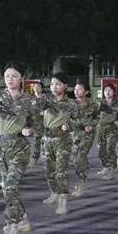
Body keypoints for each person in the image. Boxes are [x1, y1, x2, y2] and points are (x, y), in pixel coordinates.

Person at [0, 62, 36, 234]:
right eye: (7, 76)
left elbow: (37, 121)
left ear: (21, 78)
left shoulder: (28, 100)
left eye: (14, 76)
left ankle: (11, 230)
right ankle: (22, 217)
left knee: (11, 186)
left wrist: (30, 129)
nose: (10, 79)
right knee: (7, 189)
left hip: (19, 148)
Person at [34, 72, 78, 215]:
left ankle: (63, 200)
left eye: (58, 84)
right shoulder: (46, 100)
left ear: (65, 86)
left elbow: (79, 121)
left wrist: (69, 124)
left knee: (60, 171)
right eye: (52, 84)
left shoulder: (71, 103)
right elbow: (34, 107)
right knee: (48, 170)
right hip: (47, 139)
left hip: (62, 140)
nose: (54, 87)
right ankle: (54, 193)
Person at [69, 80, 100, 198]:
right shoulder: (71, 105)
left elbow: (97, 117)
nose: (76, 92)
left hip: (88, 134)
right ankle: (84, 170)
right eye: (75, 89)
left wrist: (91, 125)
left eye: (79, 89)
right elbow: (68, 119)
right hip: (75, 134)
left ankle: (82, 182)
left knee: (80, 155)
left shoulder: (93, 105)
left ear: (86, 91)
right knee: (75, 158)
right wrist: (76, 124)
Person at [97, 82, 118, 180]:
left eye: (110, 90)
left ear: (114, 92)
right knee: (101, 150)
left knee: (110, 149)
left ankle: (112, 170)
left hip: (112, 129)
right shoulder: (101, 103)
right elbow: (97, 116)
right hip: (101, 129)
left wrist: (107, 117)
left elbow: (117, 116)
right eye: (105, 90)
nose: (107, 92)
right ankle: (106, 167)